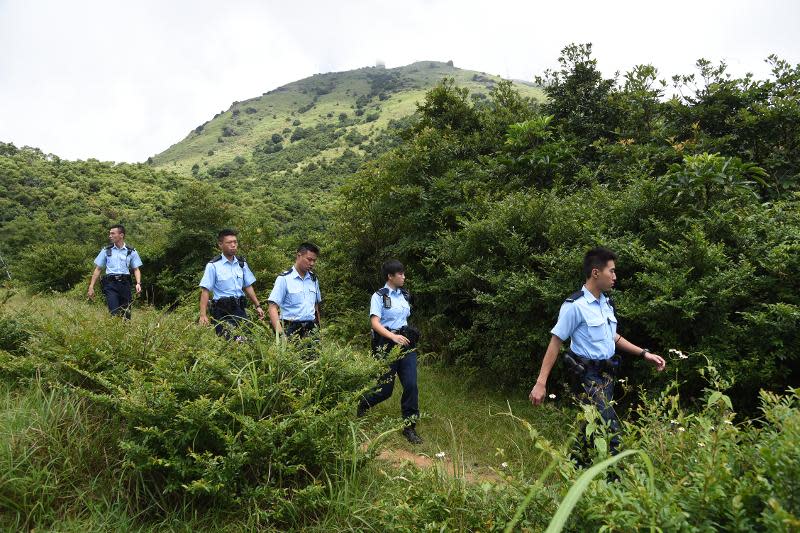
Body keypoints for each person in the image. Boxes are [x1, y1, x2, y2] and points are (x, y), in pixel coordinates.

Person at [529, 247, 666, 463]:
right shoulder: (575, 306)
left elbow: (613, 337)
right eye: (611, 271)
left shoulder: (606, 303)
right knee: (610, 429)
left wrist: (644, 353)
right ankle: (618, 479)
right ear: (595, 273)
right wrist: (541, 382)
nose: (615, 277)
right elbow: (556, 342)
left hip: (607, 375)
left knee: (589, 428)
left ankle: (576, 469)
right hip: (586, 376)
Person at [357, 259, 423, 445]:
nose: (403, 276)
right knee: (385, 390)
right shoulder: (378, 296)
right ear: (390, 276)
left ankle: (409, 427)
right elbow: (375, 323)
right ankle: (363, 402)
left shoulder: (405, 295)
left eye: (403, 273)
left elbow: (405, 318)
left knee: (411, 385)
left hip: (406, 344)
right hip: (387, 344)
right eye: (400, 274)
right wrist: (392, 337)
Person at [199, 229, 265, 338]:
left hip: (240, 309)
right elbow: (205, 290)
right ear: (220, 244)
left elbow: (248, 286)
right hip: (222, 311)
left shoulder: (241, 263)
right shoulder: (213, 265)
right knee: (227, 343)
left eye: (235, 242)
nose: (233, 245)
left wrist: (258, 306)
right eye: (229, 242)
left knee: (246, 340)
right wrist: (203, 315)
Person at [267, 242, 321, 338]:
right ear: (299, 256)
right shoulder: (284, 278)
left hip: (311, 328)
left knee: (314, 353)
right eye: (309, 259)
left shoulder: (313, 279)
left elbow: (315, 307)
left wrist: (318, 330)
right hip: (291, 328)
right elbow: (272, 307)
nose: (312, 263)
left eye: (314, 260)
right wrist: (280, 335)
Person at [88, 224, 142, 319]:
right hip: (110, 284)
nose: (110, 236)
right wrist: (91, 286)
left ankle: (125, 332)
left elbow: (136, 269)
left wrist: (138, 283)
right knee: (114, 312)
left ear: (121, 235)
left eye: (113, 233)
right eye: (110, 233)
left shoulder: (131, 251)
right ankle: (114, 332)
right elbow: (98, 269)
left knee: (126, 314)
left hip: (125, 284)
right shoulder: (106, 250)